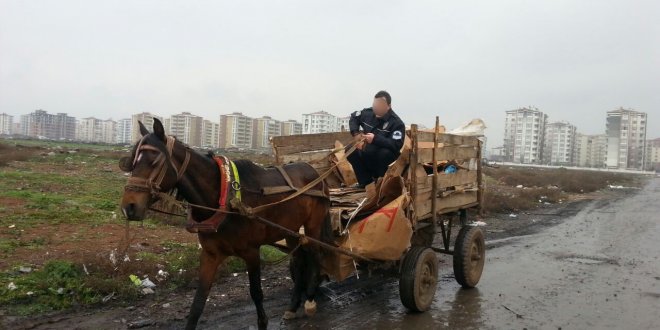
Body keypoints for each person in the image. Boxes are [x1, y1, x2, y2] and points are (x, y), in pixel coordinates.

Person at [347, 90, 405, 188]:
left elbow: (396, 144)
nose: (376, 107)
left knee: (384, 154)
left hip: (383, 157)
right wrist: (356, 134)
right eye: (375, 104)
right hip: (367, 150)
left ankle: (381, 182)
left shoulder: (397, 123)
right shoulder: (368, 113)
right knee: (350, 150)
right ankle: (365, 182)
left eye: (380, 105)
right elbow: (353, 117)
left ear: (388, 106)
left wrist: (375, 139)